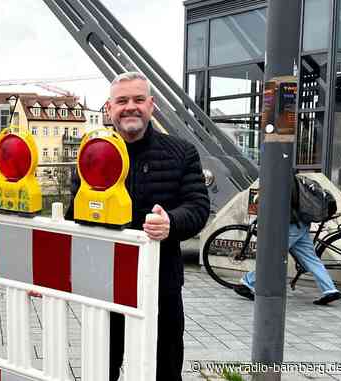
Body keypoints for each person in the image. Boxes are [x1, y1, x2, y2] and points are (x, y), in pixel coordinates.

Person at [66, 72, 210, 381]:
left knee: (165, 366)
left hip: (161, 282)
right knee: (101, 366)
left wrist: (171, 222)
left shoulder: (181, 152)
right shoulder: (91, 153)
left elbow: (198, 207)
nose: (130, 107)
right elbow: (71, 216)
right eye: (122, 101)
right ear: (109, 109)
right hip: (103, 282)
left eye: (138, 100)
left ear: (151, 105)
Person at [234, 174, 341, 305]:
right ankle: (330, 290)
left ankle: (247, 282)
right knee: (311, 259)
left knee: (273, 256)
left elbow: (267, 201)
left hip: (291, 226)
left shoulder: (279, 180)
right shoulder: (296, 179)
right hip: (302, 224)